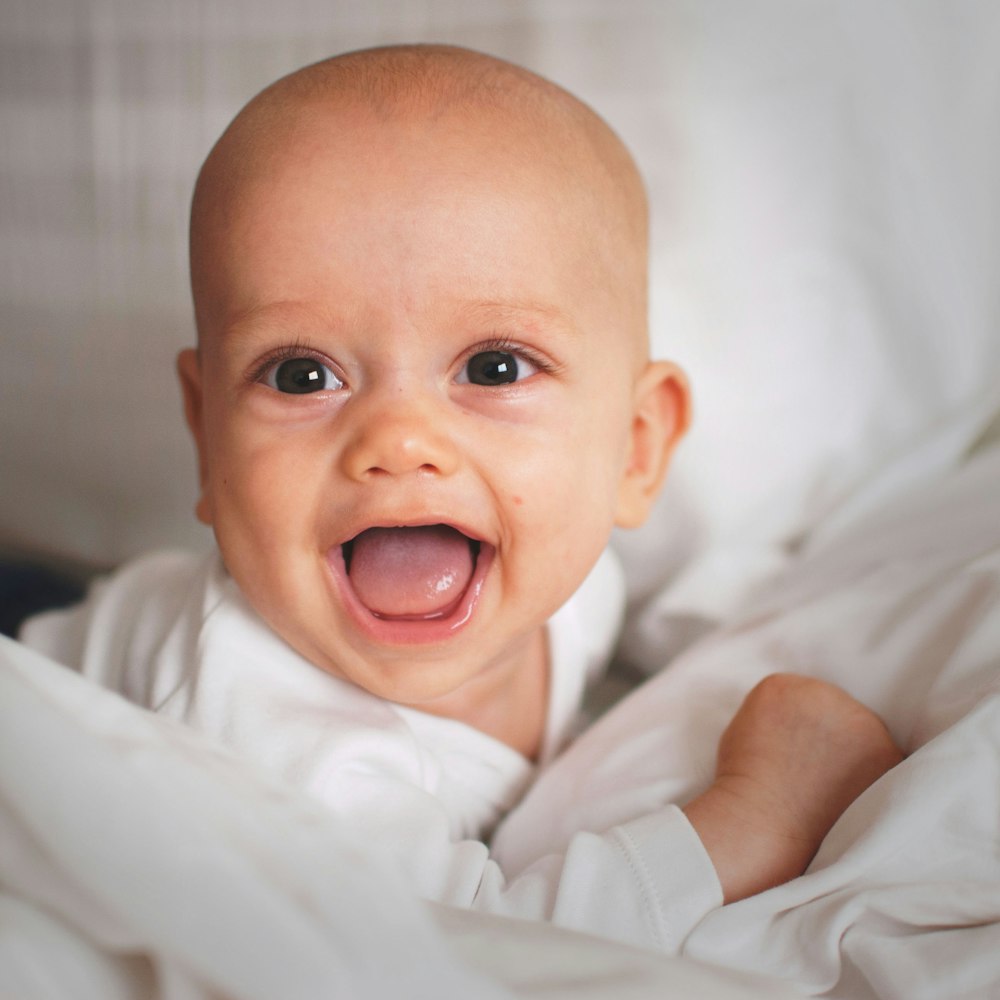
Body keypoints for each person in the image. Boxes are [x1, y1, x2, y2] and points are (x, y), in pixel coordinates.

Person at [20, 44, 902, 952]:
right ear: (207, 441)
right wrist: (759, 815)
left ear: (634, 449)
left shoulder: (578, 577)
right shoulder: (273, 725)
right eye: (301, 372)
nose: (397, 440)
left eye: (494, 367)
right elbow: (464, 950)